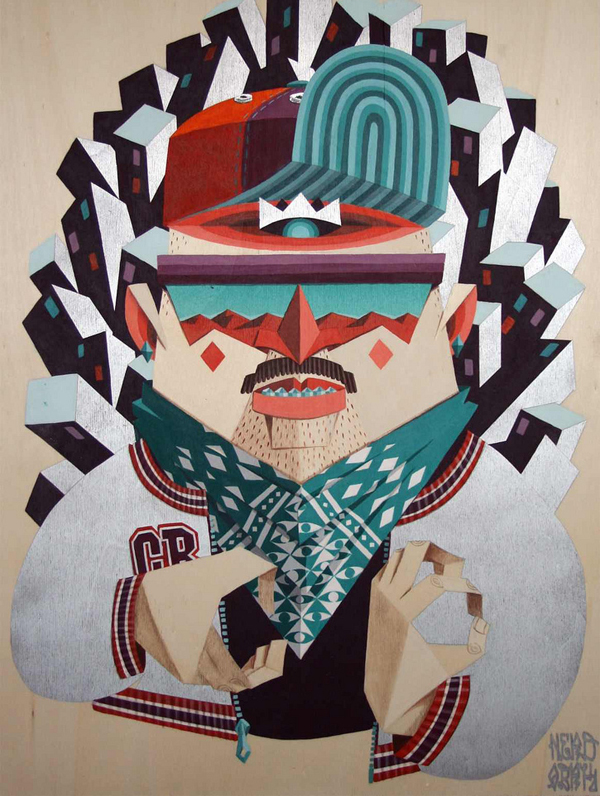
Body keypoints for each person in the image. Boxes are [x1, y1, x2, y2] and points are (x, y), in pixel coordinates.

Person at [12, 45, 585, 783]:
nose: (300, 337)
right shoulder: (133, 492)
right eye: (237, 298)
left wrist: (419, 706)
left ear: (450, 327)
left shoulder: (490, 510)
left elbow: (535, 692)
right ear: (149, 328)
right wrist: (131, 617)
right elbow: (39, 648)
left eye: (363, 296)